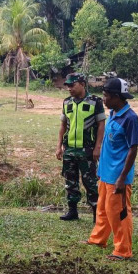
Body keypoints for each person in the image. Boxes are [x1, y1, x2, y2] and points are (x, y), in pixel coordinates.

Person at [87, 77, 138, 260]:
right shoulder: (113, 114)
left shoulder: (130, 118)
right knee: (103, 209)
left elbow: (133, 148)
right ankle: (98, 239)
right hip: (105, 173)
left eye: (106, 96)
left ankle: (123, 250)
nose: (104, 99)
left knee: (119, 213)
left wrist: (122, 178)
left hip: (118, 176)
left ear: (117, 97)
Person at [56, 72, 105, 221]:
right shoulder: (67, 102)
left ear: (82, 84)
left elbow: (101, 124)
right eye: (68, 86)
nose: (69, 88)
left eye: (72, 85)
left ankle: (97, 213)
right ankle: (72, 211)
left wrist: (97, 147)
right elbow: (63, 125)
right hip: (70, 149)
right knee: (70, 181)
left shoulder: (95, 101)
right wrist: (59, 146)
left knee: (90, 182)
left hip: (87, 149)